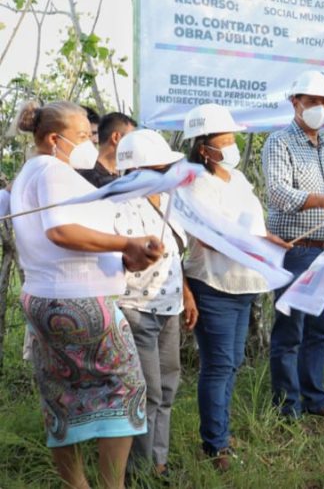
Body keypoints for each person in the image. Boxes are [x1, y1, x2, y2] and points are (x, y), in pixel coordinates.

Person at [11, 100, 163, 489]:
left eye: (91, 135)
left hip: (45, 299)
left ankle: (75, 484)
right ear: (53, 139)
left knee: (61, 393)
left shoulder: (30, 172)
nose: (89, 143)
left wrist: (126, 256)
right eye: (82, 136)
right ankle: (112, 485)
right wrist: (126, 242)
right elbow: (60, 231)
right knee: (128, 388)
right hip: (81, 303)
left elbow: (65, 240)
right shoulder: (53, 170)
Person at [183, 103, 289, 470]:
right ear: (203, 146)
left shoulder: (239, 181)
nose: (230, 145)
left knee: (233, 363)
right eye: (223, 139)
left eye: (232, 138)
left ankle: (220, 433)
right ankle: (215, 446)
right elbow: (211, 238)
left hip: (245, 284)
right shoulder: (195, 183)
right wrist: (257, 243)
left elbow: (253, 228)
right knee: (218, 365)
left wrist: (270, 240)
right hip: (214, 285)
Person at [262, 70, 324, 419]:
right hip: (293, 250)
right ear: (294, 102)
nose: (319, 107)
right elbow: (279, 194)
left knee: (319, 328)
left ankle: (314, 397)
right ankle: (288, 405)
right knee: (291, 329)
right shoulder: (279, 142)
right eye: (312, 101)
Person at [112, 130, 195, 479]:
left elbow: (175, 255)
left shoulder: (168, 201)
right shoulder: (117, 205)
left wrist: (186, 294)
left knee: (167, 387)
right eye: (161, 169)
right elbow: (118, 260)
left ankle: (158, 463)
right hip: (136, 310)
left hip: (169, 308)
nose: (168, 175)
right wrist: (138, 259)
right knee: (144, 392)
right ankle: (139, 471)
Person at [79, 112, 136, 188]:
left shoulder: (126, 175)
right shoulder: (87, 179)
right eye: (131, 139)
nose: (135, 145)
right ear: (116, 138)